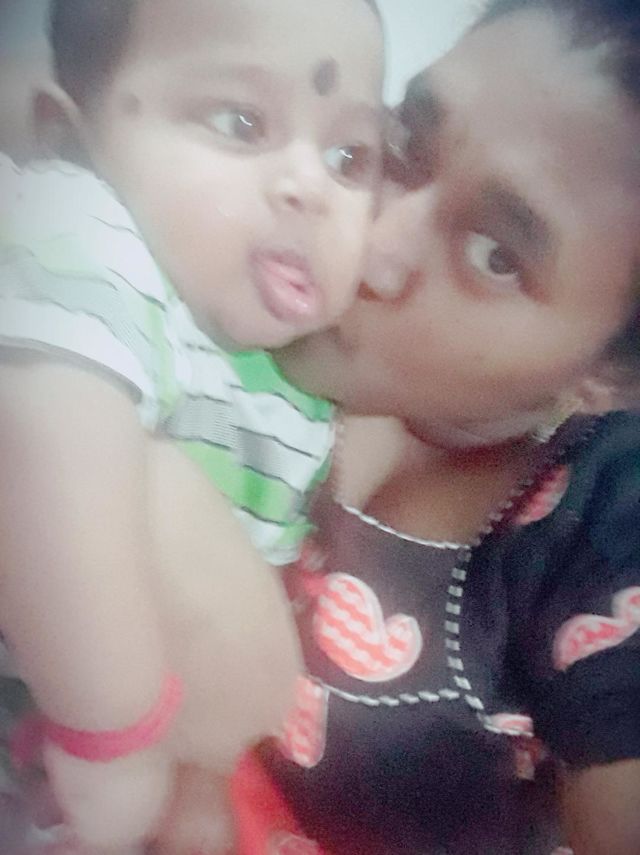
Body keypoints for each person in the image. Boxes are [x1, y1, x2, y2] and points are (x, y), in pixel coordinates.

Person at [231, 0, 640, 852]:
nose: (372, 243)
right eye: (405, 146)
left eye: (496, 256)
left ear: (608, 373)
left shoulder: (602, 522)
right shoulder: (231, 255)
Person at [0, 0, 383, 852]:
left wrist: (201, 780)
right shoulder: (81, 228)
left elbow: (238, 590)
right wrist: (112, 739)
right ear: (72, 139)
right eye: (241, 122)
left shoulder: (294, 394)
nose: (310, 186)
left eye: (351, 156)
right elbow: (46, 435)